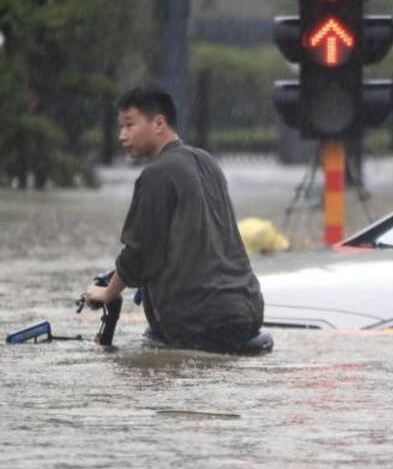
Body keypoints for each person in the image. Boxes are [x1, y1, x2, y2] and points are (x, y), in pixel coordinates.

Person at [83, 85, 264, 353]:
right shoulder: (207, 161)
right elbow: (197, 242)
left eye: (130, 125)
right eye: (121, 127)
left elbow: (140, 254)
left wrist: (108, 292)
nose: (122, 136)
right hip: (247, 311)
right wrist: (117, 274)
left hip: (197, 323)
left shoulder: (156, 174)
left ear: (158, 124)